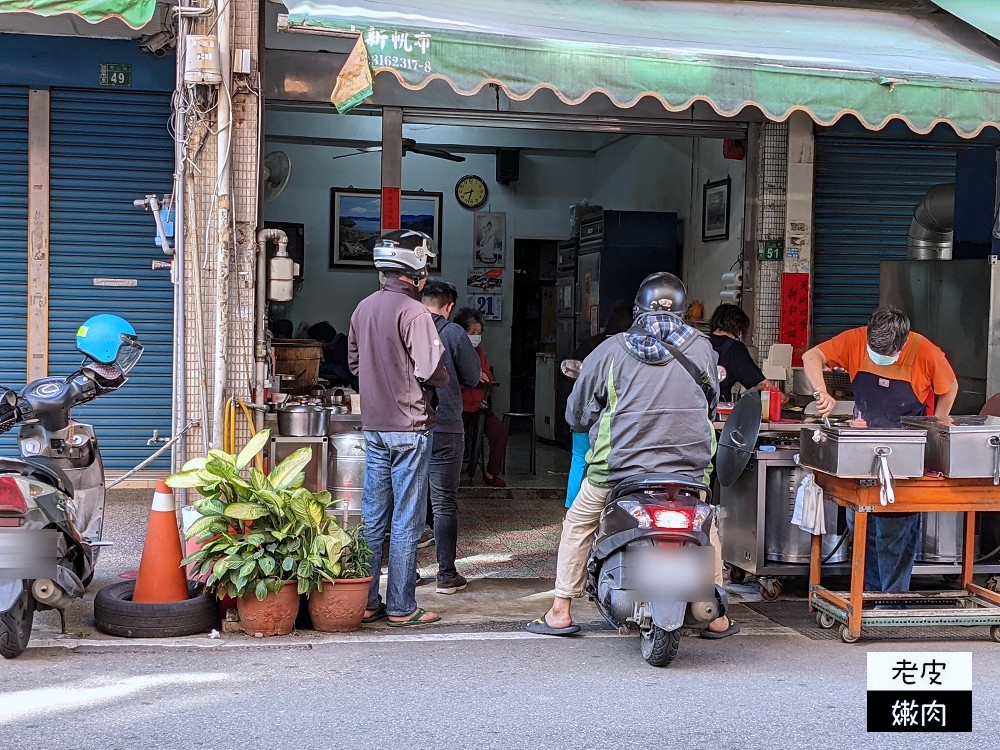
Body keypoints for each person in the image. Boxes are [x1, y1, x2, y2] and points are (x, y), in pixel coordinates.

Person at [527, 272, 738, 639]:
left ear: (638, 311)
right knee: (706, 526)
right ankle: (718, 616)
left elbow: (576, 413)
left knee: (579, 523)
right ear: (684, 313)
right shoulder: (704, 349)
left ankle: (560, 610)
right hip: (689, 467)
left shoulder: (610, 350)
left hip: (619, 468)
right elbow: (711, 401)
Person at [802, 306, 958, 596]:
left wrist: (937, 423)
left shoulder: (925, 351)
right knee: (860, 521)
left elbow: (950, 387)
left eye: (886, 354)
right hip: (863, 449)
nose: (878, 358)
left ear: (902, 343)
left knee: (893, 530)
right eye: (874, 349)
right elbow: (812, 356)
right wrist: (821, 391)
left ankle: (892, 600)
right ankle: (869, 594)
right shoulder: (856, 340)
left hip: (906, 452)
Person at [348, 229, 449, 627]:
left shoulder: (363, 309)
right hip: (410, 427)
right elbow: (430, 370)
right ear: (417, 268)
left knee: (373, 517)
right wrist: (438, 378)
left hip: (374, 426)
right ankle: (403, 606)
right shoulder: (415, 313)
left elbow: (356, 366)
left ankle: (367, 600)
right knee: (406, 518)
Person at [420, 280, 482, 594]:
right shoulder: (454, 333)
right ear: (449, 306)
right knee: (444, 502)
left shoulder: (405, 327)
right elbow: (472, 377)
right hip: (445, 425)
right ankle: (446, 575)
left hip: (409, 426)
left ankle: (408, 573)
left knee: (409, 499)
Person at [564, 302, 634, 508]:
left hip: (583, 413)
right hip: (615, 421)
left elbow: (572, 375)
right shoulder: (632, 351)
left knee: (579, 459)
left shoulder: (591, 345)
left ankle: (571, 506)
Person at [456, 307, 510, 487]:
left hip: (480, 406)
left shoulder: (480, 352)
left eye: (479, 333)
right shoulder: (454, 349)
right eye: (472, 332)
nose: (476, 336)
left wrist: (477, 374)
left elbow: (488, 376)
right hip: (459, 408)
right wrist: (472, 376)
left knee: (499, 431)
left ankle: (490, 473)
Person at [709, 303, 770, 402]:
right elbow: (762, 385)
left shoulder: (699, 342)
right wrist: (783, 399)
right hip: (717, 408)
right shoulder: (735, 348)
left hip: (690, 406)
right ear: (738, 328)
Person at [309, 320, 357, 390]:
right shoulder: (331, 347)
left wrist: (320, 367)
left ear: (322, 341)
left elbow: (343, 373)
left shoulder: (342, 346)